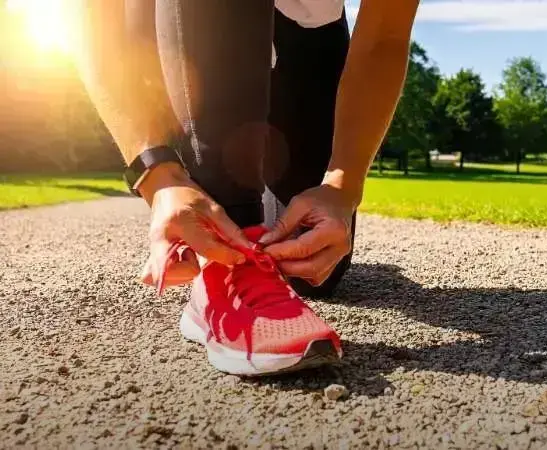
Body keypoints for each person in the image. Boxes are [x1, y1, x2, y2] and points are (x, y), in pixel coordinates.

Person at [73, 0, 419, 375]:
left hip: (305, 24)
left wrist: (342, 185)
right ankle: (220, 268)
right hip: (171, 24)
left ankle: (251, 226)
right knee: (240, 240)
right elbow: (91, 16)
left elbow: (385, 35)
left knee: (313, 271)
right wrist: (158, 175)